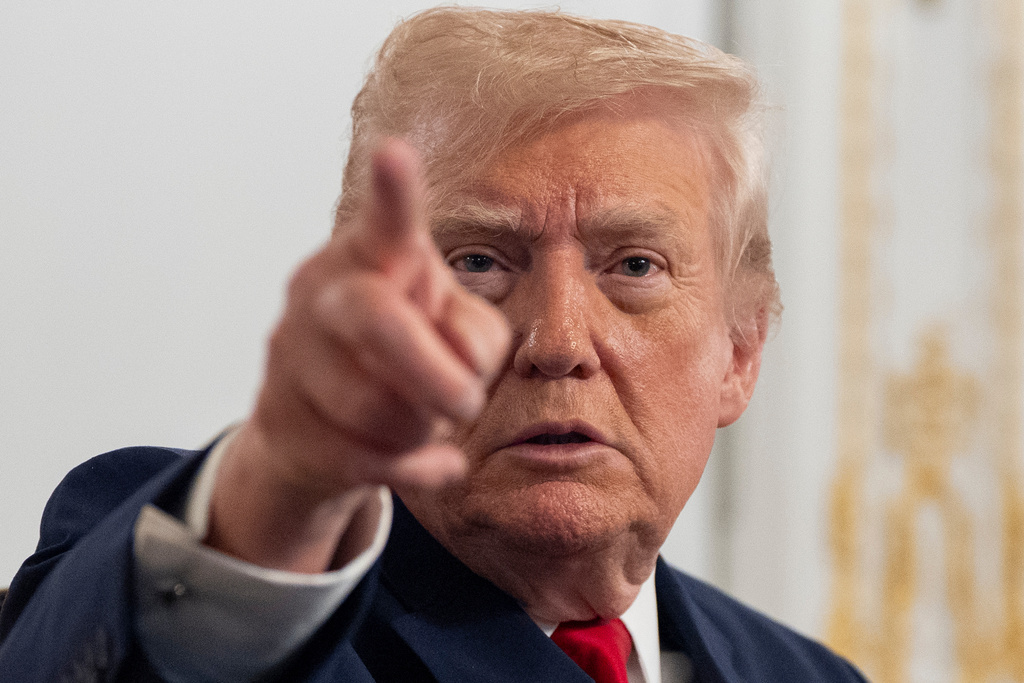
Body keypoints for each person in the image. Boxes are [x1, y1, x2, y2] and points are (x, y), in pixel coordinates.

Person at [0, 7, 866, 682]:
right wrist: (279, 480)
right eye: (479, 262)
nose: (557, 340)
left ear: (741, 353)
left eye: (633, 265)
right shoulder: (222, 560)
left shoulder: (807, 671)